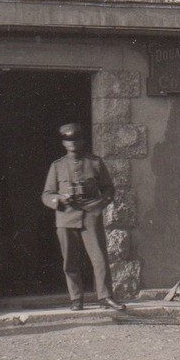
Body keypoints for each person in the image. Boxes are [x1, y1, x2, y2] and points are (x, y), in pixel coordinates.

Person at [41, 123, 125, 312]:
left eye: (76, 139)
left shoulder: (95, 163)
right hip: (65, 215)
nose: (72, 143)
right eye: (68, 140)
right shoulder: (57, 166)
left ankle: (105, 297)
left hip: (90, 215)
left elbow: (108, 188)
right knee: (70, 260)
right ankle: (76, 299)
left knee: (99, 258)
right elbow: (46, 194)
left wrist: (98, 206)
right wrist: (58, 199)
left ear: (82, 141)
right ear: (63, 143)